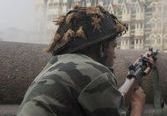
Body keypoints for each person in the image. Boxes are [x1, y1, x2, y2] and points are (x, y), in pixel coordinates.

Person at [17, 6, 146, 116]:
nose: (115, 55)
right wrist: (137, 105)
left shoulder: (52, 66)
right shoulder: (96, 72)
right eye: (113, 46)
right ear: (102, 49)